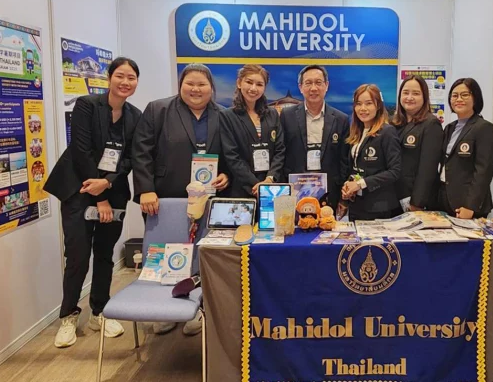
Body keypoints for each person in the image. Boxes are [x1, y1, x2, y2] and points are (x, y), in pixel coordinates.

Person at [44, 57, 142, 348]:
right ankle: (68, 316)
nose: (125, 82)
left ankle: (99, 311)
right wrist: (100, 196)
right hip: (79, 189)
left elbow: (130, 158)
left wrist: (108, 184)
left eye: (131, 78)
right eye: (120, 75)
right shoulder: (87, 105)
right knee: (77, 255)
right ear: (109, 77)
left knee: (104, 253)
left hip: (113, 189)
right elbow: (81, 151)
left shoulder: (135, 116)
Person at [132, 63, 229, 336]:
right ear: (180, 85)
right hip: (165, 196)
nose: (196, 89)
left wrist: (227, 176)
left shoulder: (223, 115)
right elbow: (141, 151)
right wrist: (145, 188)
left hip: (210, 199)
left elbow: (231, 154)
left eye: (202, 84)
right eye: (190, 84)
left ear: (211, 88)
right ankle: (165, 310)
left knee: (203, 254)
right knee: (167, 252)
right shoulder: (158, 110)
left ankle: (197, 309)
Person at [280, 65, 350, 211]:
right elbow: (281, 153)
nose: (313, 88)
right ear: (300, 87)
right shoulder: (287, 116)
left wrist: (343, 199)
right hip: (296, 190)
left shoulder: (341, 119)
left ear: (326, 85)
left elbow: (344, 161)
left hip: (329, 192)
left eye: (318, 83)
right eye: (308, 83)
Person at [220, 65, 285, 197]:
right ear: (239, 83)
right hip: (242, 188)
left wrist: (269, 179)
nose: (253, 88)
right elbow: (232, 156)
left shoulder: (272, 114)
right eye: (249, 82)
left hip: (271, 187)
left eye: (259, 84)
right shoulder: (227, 116)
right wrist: (254, 184)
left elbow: (280, 150)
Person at [439, 78, 493, 219]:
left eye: (465, 95)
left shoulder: (484, 128)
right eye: (454, 95)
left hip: (468, 205)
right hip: (445, 199)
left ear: (475, 98)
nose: (459, 99)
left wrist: (471, 206)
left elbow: (484, 171)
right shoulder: (449, 128)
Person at [341, 84, 401, 221]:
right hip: (356, 205)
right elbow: (355, 168)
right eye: (358, 104)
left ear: (378, 106)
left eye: (368, 103)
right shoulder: (356, 132)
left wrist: (361, 184)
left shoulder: (387, 132)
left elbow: (395, 171)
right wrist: (349, 187)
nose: (363, 108)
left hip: (379, 207)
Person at [391, 75, 443, 211]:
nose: (409, 97)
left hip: (414, 200)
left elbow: (428, 169)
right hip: (393, 196)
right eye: (405, 92)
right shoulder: (394, 123)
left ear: (424, 97)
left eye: (416, 93)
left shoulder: (431, 124)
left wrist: (417, 202)